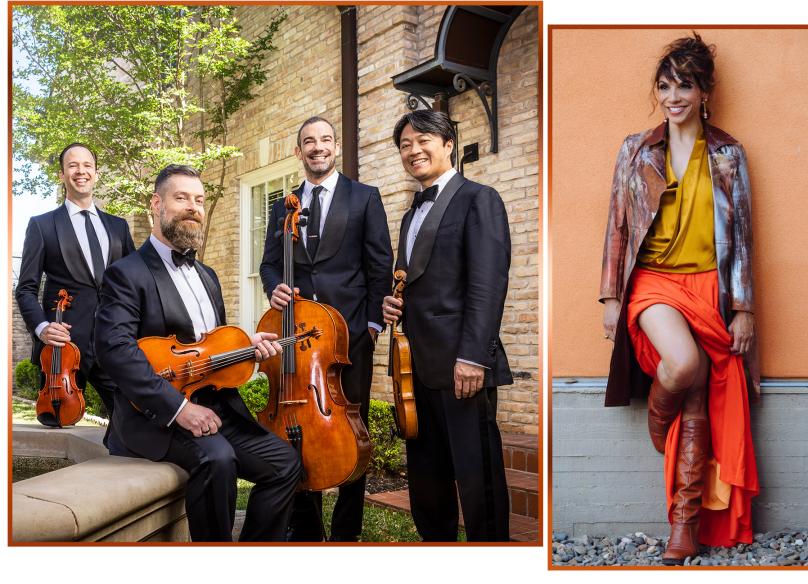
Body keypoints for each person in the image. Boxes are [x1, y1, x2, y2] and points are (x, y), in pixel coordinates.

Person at [599, 33, 760, 564]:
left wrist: (742, 308)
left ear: (704, 91)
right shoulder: (636, 150)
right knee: (683, 364)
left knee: (698, 396)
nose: (673, 96)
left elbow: (741, 237)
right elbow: (618, 227)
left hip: (709, 284)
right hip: (654, 282)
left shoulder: (729, 154)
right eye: (665, 85)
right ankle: (657, 421)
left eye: (684, 85)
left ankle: (683, 527)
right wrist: (610, 298)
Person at [95, 164, 302, 542]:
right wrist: (180, 409)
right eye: (181, 198)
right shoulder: (126, 273)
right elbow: (114, 350)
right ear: (157, 204)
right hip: (158, 414)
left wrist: (248, 349)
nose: (193, 206)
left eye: (200, 200)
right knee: (217, 459)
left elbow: (207, 352)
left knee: (285, 463)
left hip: (219, 408)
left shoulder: (207, 275)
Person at [259, 116, 393, 542]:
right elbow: (268, 263)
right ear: (298, 152)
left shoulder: (365, 197)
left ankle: (347, 531)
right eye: (308, 142)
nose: (318, 147)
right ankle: (306, 527)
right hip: (295, 337)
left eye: (326, 140)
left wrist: (371, 325)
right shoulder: (283, 206)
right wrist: (273, 287)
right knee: (296, 427)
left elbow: (379, 265)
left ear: (336, 148)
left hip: (348, 338)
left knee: (354, 431)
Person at [383, 110, 512, 542]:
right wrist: (393, 304)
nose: (413, 151)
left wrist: (473, 357)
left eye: (422, 141)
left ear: (448, 143)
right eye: (404, 145)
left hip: (462, 366)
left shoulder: (480, 198)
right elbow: (415, 282)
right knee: (427, 478)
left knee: (478, 478)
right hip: (413, 367)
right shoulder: (408, 216)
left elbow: (487, 285)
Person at [16, 142, 135, 432]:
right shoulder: (42, 225)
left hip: (112, 342)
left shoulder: (118, 227)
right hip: (64, 351)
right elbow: (25, 288)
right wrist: (42, 327)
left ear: (96, 174)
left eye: (87, 166)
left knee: (134, 424)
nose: (80, 171)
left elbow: (134, 286)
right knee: (56, 421)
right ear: (62, 175)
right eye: (72, 166)